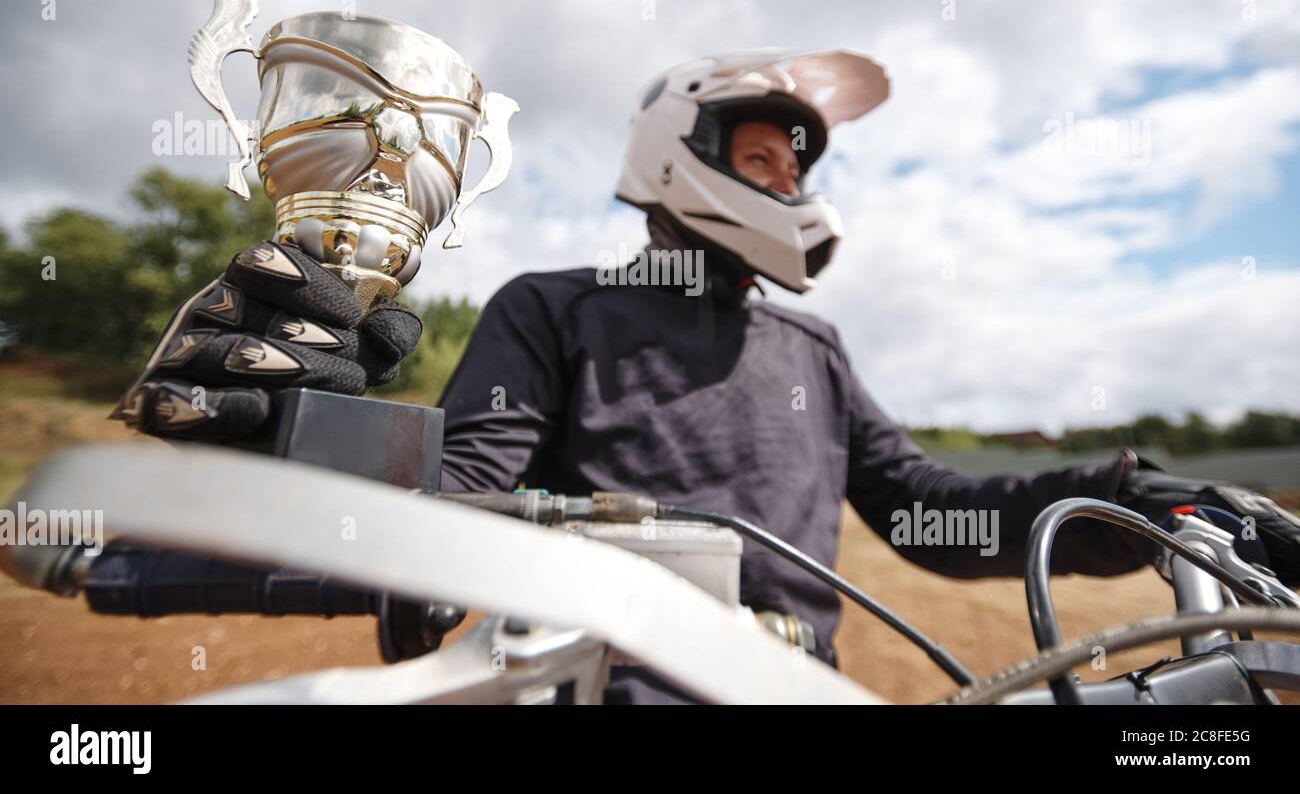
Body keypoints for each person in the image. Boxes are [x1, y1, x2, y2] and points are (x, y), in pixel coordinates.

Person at [118, 49, 1300, 704]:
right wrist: (301, 438)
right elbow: (463, 491)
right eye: (759, 157)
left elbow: (927, 509)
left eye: (794, 165)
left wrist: (1144, 503)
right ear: (675, 157)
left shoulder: (813, 350)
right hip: (601, 692)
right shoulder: (554, 308)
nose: (787, 184)